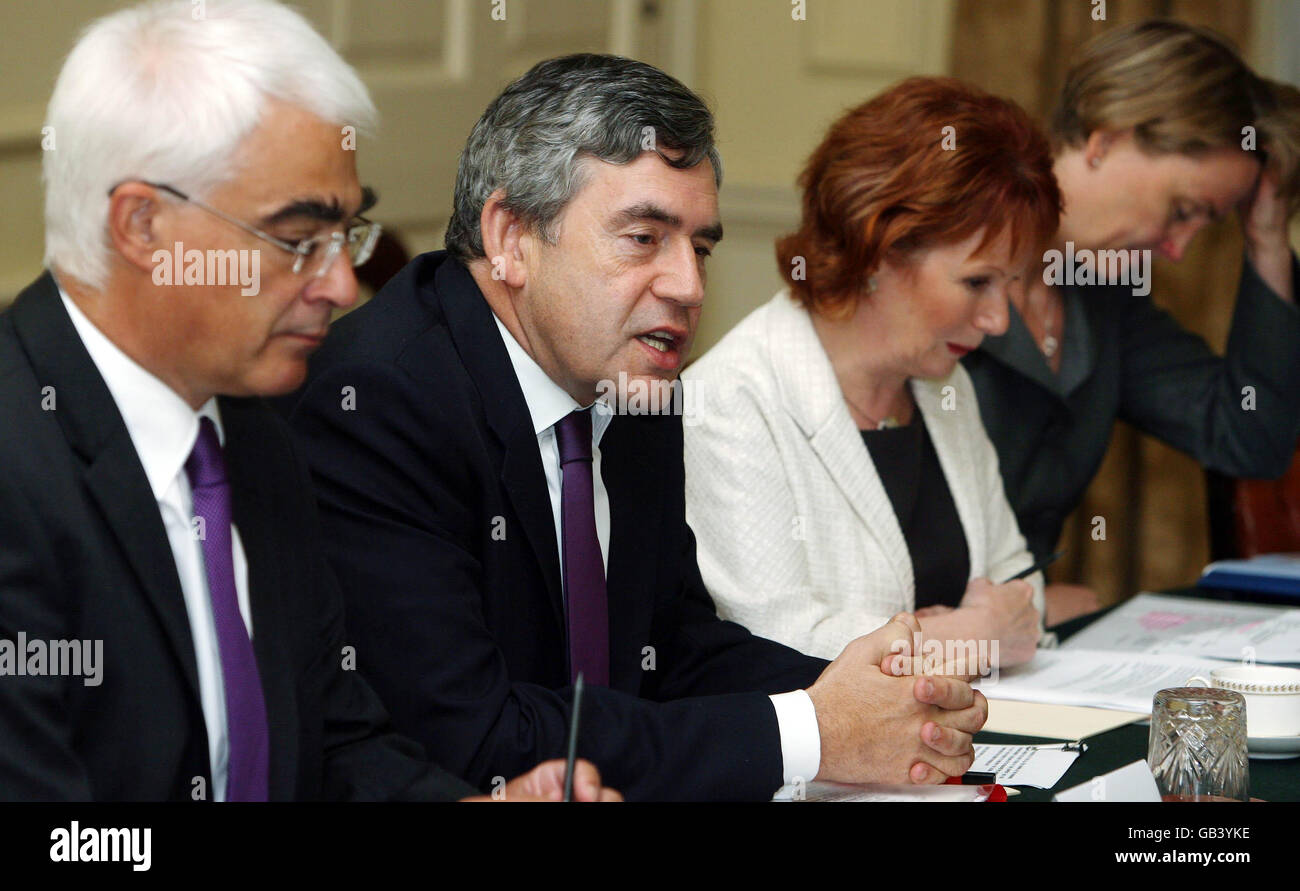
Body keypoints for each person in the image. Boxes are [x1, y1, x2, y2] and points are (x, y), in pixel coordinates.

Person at [283, 53, 987, 801]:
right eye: (644, 238)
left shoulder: (634, 384)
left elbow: (671, 649)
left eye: (702, 247)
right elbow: (475, 737)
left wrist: (871, 696)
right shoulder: (379, 401)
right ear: (510, 237)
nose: (688, 286)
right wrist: (810, 729)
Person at [0, 0, 616, 802]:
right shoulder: (18, 471)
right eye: (297, 241)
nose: (340, 284)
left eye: (346, 234)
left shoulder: (255, 434)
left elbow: (333, 739)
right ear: (142, 226)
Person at [682, 78, 1051, 664]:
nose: (999, 320)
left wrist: (972, 631)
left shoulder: (942, 383)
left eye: (1013, 284)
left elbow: (1021, 590)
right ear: (877, 248)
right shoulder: (731, 399)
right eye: (977, 281)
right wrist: (965, 637)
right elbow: (773, 644)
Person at [960, 20, 1300, 624]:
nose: (1178, 250)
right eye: (1181, 212)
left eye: (1206, 224)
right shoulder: (940, 258)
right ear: (1107, 138)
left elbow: (1250, 441)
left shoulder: (1102, 297)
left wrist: (1268, 238)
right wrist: (1032, 608)